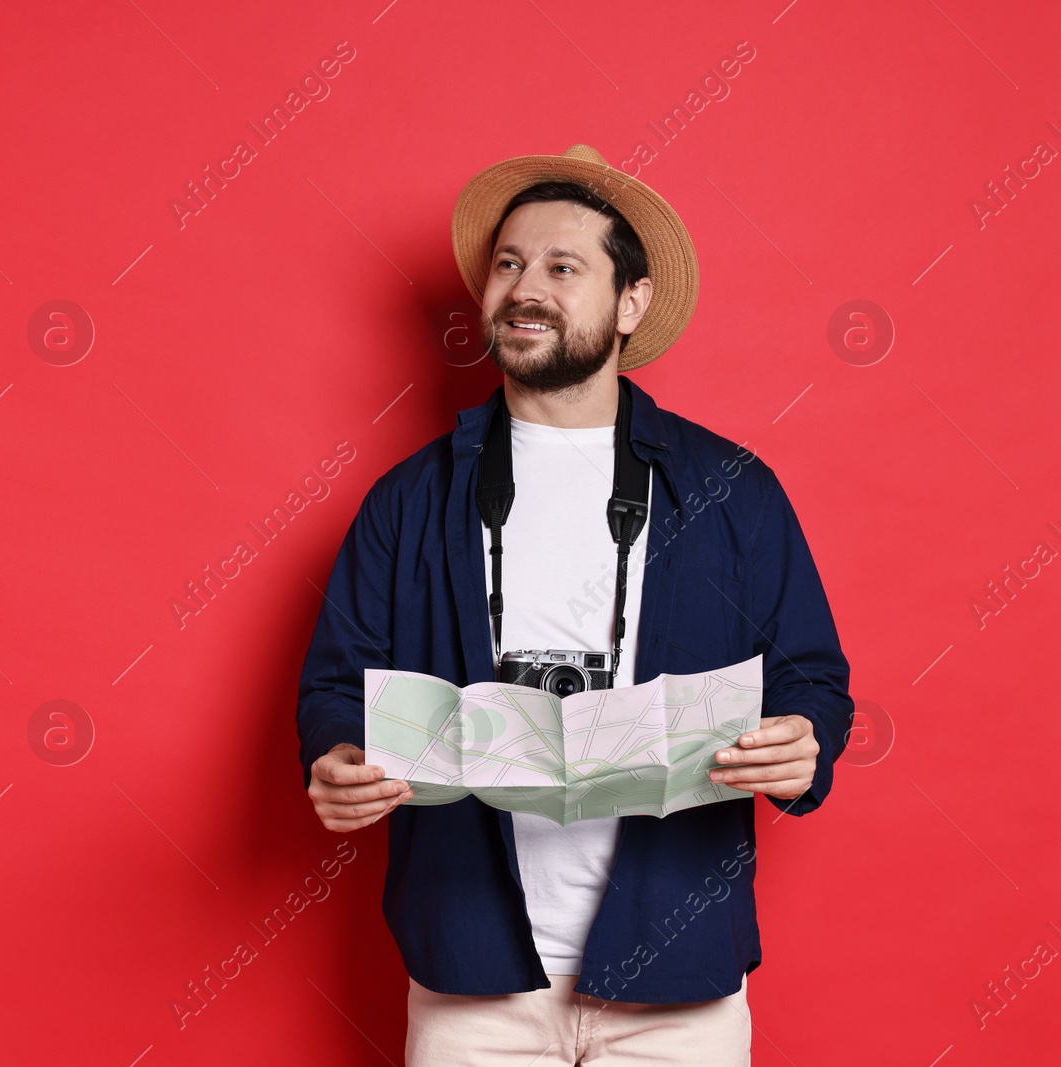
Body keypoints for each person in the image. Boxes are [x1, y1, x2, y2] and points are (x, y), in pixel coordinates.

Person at [294, 144, 854, 1066]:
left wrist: (803, 740)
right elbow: (335, 683)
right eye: (509, 264)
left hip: (678, 971)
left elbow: (813, 678)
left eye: (563, 266)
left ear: (630, 303)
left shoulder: (733, 489)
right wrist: (337, 756)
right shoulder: (408, 499)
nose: (525, 288)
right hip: (471, 976)